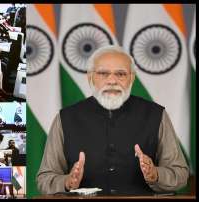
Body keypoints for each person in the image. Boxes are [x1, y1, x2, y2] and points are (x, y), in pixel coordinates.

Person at [36, 45, 189, 195]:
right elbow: (44, 179)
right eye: (103, 73)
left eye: (121, 74)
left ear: (131, 78)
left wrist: (155, 174)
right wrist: (67, 182)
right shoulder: (65, 118)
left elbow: (180, 174)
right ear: (90, 77)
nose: (112, 81)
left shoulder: (156, 115)